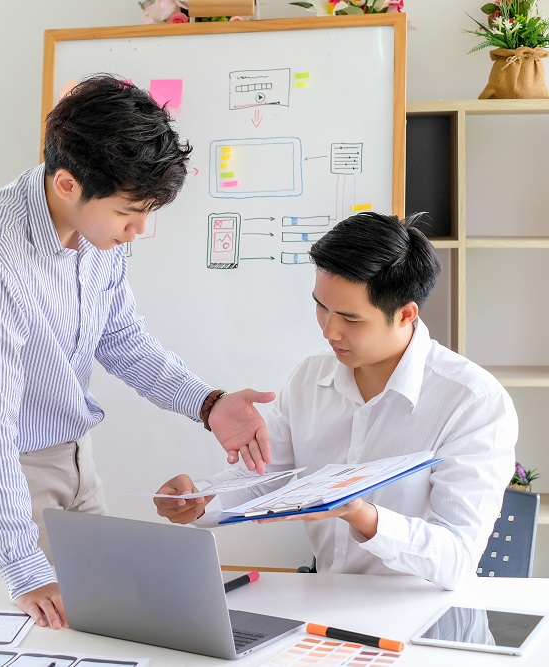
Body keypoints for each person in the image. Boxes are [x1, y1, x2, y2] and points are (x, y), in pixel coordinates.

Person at [0, 74, 276, 630]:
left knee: (106, 623)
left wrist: (208, 405)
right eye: (128, 211)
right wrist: (22, 567)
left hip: (74, 456)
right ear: (67, 184)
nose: (139, 229)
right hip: (1, 467)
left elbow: (122, 339)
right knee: (39, 638)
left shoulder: (96, 236)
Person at [155, 211, 518, 591]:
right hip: (324, 600)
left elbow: (457, 558)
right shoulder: (311, 377)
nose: (329, 331)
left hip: (419, 607)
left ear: (405, 314)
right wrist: (200, 498)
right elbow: (263, 480)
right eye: (321, 307)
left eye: (350, 319)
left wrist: (361, 515)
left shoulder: (472, 402)